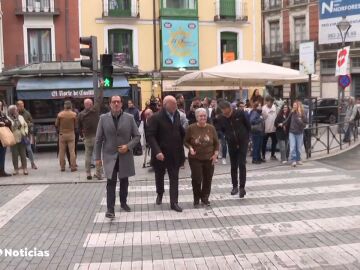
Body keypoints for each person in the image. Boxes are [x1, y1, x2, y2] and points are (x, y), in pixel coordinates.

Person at [95, 96, 141, 219]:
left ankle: (123, 202)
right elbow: (98, 140)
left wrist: (128, 146)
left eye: (118, 102)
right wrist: (97, 158)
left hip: (125, 155)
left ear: (121, 104)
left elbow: (137, 136)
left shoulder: (129, 118)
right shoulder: (103, 119)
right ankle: (110, 209)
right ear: (110, 104)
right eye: (113, 102)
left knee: (124, 181)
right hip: (109, 155)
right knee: (110, 182)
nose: (116, 104)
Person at [147, 95, 185, 212]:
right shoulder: (156, 117)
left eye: (176, 104)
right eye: (173, 104)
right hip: (161, 154)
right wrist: (157, 151)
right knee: (159, 175)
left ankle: (174, 202)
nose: (175, 106)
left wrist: (185, 140)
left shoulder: (177, 115)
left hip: (175, 153)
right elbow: (150, 136)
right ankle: (160, 193)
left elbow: (179, 130)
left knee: (174, 178)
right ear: (165, 105)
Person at [184, 108, 219, 207]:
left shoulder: (211, 128)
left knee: (208, 179)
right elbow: (185, 141)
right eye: (200, 116)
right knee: (197, 178)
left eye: (204, 115)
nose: (203, 117)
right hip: (195, 158)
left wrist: (215, 154)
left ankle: (205, 198)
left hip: (209, 157)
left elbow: (216, 143)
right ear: (196, 117)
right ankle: (196, 197)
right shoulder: (191, 128)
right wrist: (190, 148)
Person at [218, 101, 250, 198]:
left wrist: (247, 138)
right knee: (233, 166)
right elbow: (221, 129)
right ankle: (235, 186)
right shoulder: (222, 118)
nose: (225, 114)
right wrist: (226, 136)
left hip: (242, 142)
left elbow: (248, 125)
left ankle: (242, 188)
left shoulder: (240, 113)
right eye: (223, 112)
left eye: (226, 112)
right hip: (231, 143)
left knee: (242, 164)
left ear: (229, 108)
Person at [78, 90, 104, 180]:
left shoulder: (81, 114)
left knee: (87, 155)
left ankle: (88, 173)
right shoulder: (95, 109)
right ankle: (98, 174)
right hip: (97, 137)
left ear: (85, 105)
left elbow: (78, 127)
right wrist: (102, 87)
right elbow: (99, 99)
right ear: (91, 104)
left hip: (87, 138)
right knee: (98, 155)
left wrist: (82, 136)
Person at [55, 101, 77, 172]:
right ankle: (73, 166)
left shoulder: (60, 114)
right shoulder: (74, 114)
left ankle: (62, 167)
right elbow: (76, 125)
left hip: (62, 134)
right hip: (71, 134)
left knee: (62, 152)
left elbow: (56, 124)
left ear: (64, 106)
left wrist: (59, 130)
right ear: (71, 106)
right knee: (72, 151)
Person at [283, 100, 307, 167]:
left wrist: (300, 122)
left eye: (295, 105)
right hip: (292, 132)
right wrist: (282, 124)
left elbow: (305, 122)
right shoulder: (292, 112)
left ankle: (298, 159)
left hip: (299, 132)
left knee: (298, 147)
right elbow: (287, 119)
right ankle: (293, 160)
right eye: (293, 105)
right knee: (292, 147)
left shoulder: (302, 113)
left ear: (298, 106)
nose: (294, 106)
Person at [16, 100, 38, 170]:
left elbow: (32, 123)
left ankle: (32, 163)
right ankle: (23, 164)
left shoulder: (27, 113)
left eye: (23, 106)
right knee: (21, 151)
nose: (22, 107)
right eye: (20, 106)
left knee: (29, 149)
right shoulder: (15, 114)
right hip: (18, 135)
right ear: (17, 106)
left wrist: (25, 124)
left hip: (26, 134)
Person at [8, 105, 28, 175]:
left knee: (23, 154)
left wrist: (25, 132)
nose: (17, 111)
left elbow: (25, 125)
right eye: (15, 110)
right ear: (11, 112)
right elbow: (12, 128)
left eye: (17, 110)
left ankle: (25, 168)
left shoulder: (21, 117)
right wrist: (15, 119)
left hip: (22, 137)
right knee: (15, 155)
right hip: (13, 138)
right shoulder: (9, 119)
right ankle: (16, 169)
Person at [262, 95, 278, 161]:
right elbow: (262, 119)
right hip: (266, 129)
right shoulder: (263, 108)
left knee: (274, 141)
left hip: (273, 128)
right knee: (264, 143)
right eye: (269, 102)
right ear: (266, 102)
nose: (271, 104)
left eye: (272, 102)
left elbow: (276, 116)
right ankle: (263, 156)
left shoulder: (274, 107)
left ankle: (272, 155)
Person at [0, 101, 12, 177]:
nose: (0, 107)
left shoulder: (2, 114)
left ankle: (2, 171)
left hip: (3, 138)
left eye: (0, 105)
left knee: (2, 155)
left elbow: (9, 122)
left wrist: (5, 123)